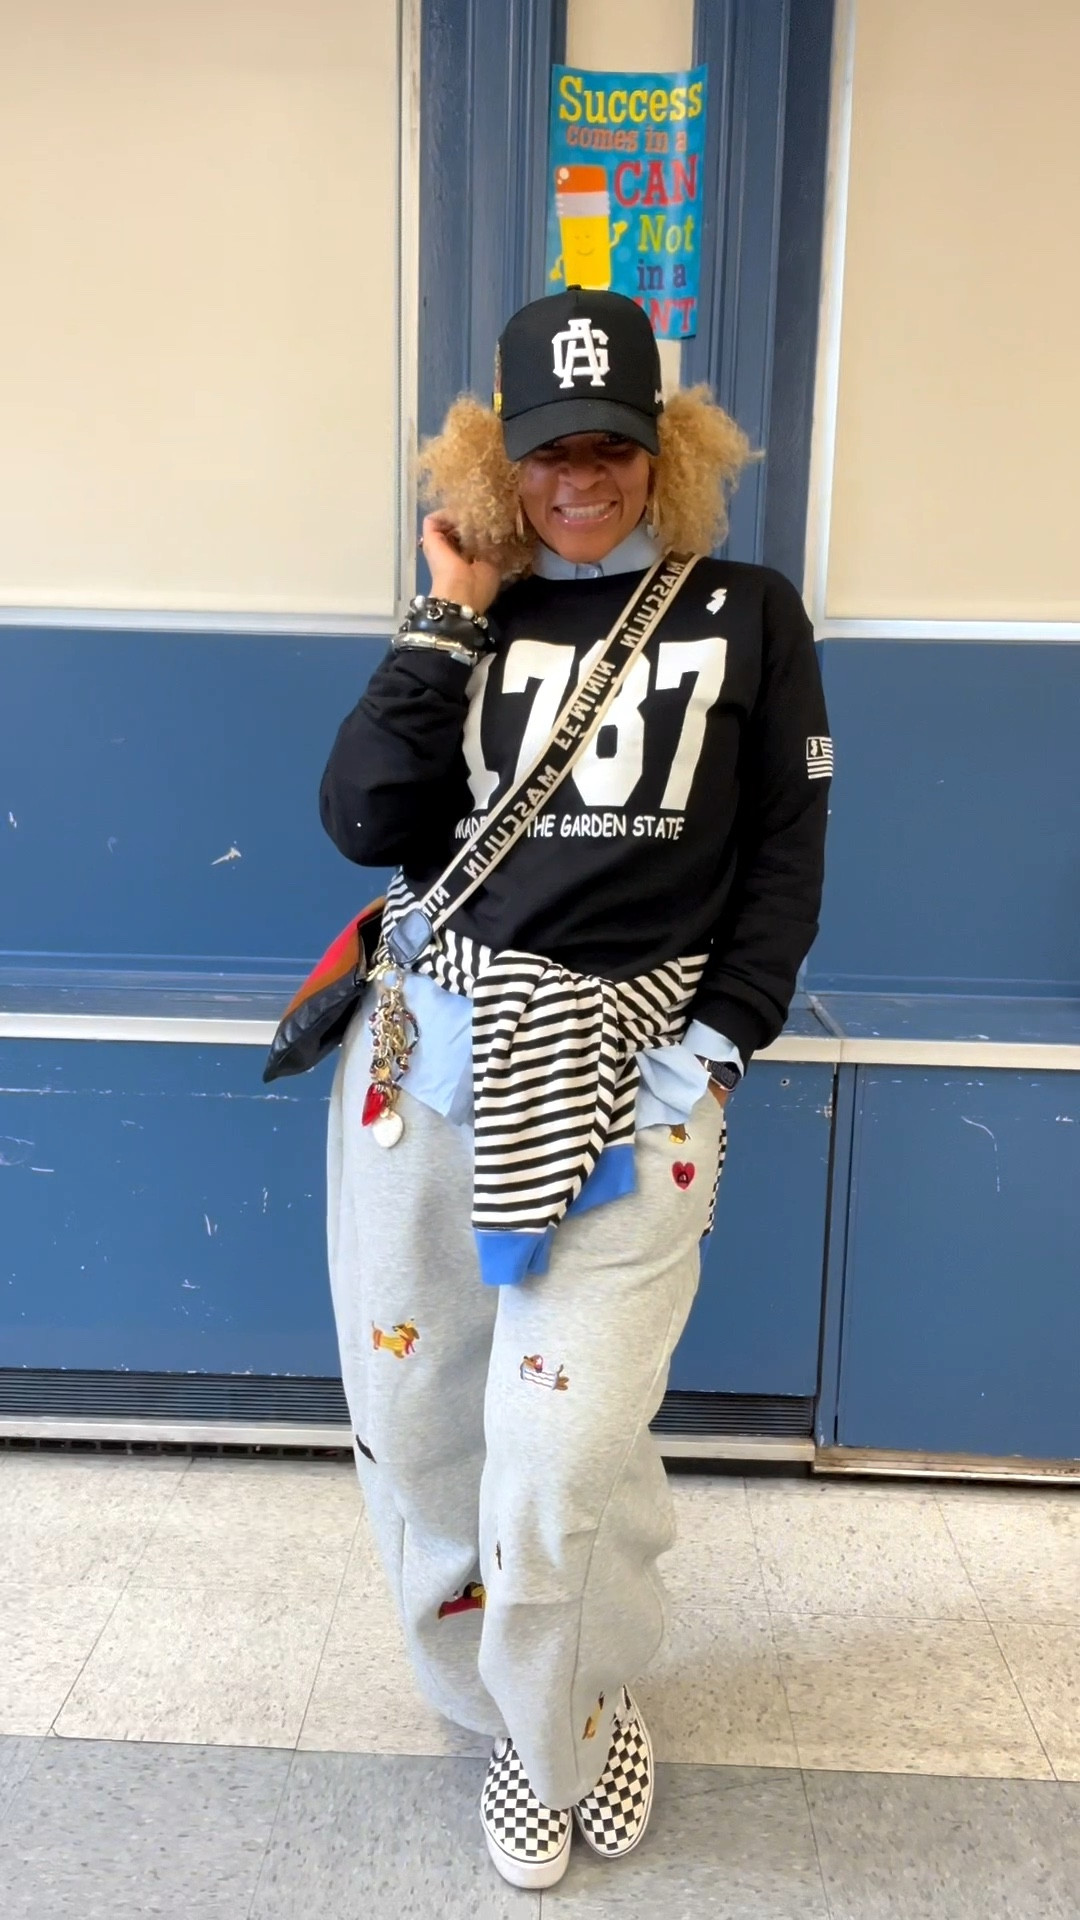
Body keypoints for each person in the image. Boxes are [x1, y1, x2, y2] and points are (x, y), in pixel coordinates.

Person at [320, 288, 830, 1889]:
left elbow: (786, 855)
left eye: (613, 448)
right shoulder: (482, 613)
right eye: (550, 452)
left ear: (667, 453)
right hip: (433, 1071)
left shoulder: (750, 613)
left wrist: (720, 1042)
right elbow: (366, 819)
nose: (582, 478)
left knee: (559, 1451)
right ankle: (509, 1709)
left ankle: (568, 1713)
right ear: (501, 461)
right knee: (422, 1432)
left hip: (638, 1086)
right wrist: (448, 610)